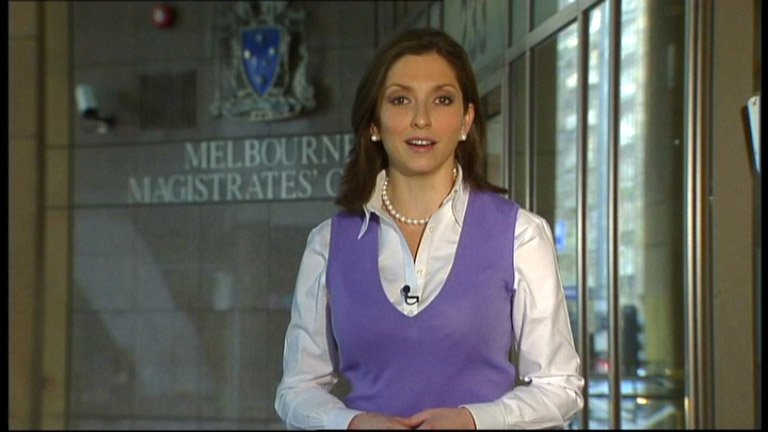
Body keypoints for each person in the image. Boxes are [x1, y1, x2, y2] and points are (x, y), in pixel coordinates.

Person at [275, 28, 584, 430]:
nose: (421, 119)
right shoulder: (328, 243)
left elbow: (560, 387)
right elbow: (296, 390)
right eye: (401, 100)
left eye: (442, 100)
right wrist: (351, 423)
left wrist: (473, 420)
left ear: (466, 120)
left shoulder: (521, 235)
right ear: (373, 122)